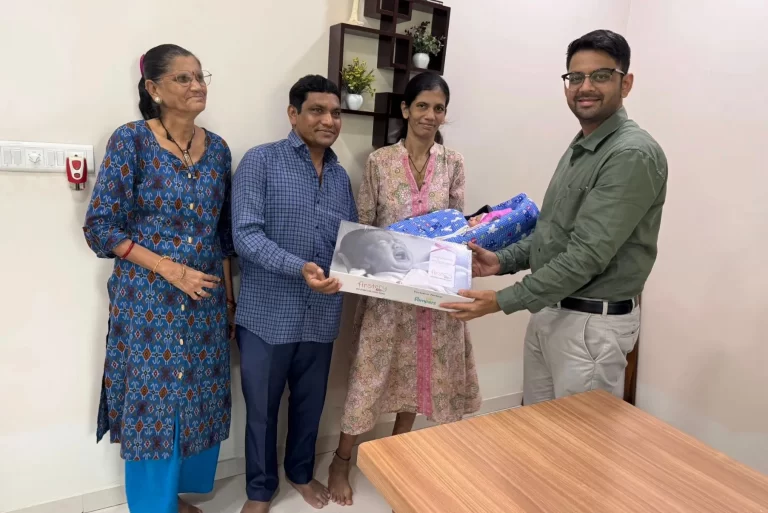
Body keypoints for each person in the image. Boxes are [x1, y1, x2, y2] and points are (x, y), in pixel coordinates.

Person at [443, 30, 668, 405]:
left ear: (625, 83)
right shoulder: (584, 145)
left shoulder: (631, 153)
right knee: (538, 432)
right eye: (576, 77)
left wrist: (502, 301)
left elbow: (586, 256)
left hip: (590, 326)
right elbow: (555, 232)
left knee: (578, 439)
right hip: (553, 310)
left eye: (600, 75)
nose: (585, 87)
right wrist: (501, 261)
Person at [83, 44, 236, 513]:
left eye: (200, 76)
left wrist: (229, 301)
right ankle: (154, 505)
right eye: (183, 78)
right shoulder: (131, 140)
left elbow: (223, 235)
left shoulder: (218, 150)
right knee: (153, 403)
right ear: (153, 88)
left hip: (205, 301)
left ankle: (177, 496)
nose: (197, 86)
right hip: (148, 302)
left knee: (201, 394)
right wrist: (171, 270)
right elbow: (101, 227)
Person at [328, 72, 481, 506]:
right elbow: (364, 226)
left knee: (419, 379)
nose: (430, 116)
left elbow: (456, 229)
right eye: (422, 106)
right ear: (405, 109)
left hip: (433, 295)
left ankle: (401, 457)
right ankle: (341, 459)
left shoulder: (453, 163)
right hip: (387, 295)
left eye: (439, 108)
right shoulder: (379, 162)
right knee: (371, 378)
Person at [231, 75, 357, 513]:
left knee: (310, 404)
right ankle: (260, 490)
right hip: (267, 314)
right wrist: (297, 267)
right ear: (293, 114)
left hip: (321, 314)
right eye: (317, 110)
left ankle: (300, 473)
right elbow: (245, 235)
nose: (329, 120)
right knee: (262, 410)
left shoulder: (340, 177)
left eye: (336, 112)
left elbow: (349, 244)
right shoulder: (261, 161)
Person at [332, 228, 471, 294]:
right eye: (383, 242)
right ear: (365, 261)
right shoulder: (374, 281)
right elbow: (354, 278)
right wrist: (350, 265)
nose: (396, 244)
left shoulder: (423, 269)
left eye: (396, 240)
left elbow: (456, 282)